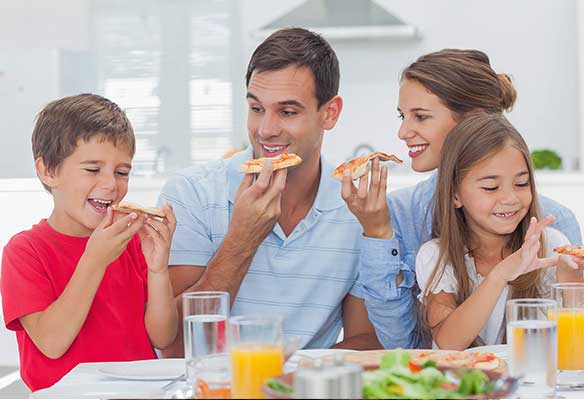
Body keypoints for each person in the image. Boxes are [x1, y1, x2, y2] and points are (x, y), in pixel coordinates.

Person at [159, 27, 380, 356]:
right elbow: (177, 347)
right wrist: (241, 240)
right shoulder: (191, 194)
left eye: (287, 112)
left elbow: (365, 341)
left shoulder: (356, 211)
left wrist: (289, 378)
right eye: (256, 109)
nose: (266, 130)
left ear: (329, 113)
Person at [340, 49, 583, 349]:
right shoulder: (397, 215)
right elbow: (402, 345)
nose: (403, 132)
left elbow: (575, 342)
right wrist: (377, 233)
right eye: (403, 116)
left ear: (474, 121)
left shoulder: (553, 225)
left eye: (421, 117)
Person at [0, 94, 178, 391]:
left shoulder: (131, 241)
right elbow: (52, 343)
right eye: (93, 169)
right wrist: (95, 260)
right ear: (49, 171)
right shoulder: (25, 252)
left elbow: (163, 337)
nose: (111, 184)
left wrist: (159, 271)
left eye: (122, 172)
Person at [416, 112, 584, 349]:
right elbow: (449, 342)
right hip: (469, 384)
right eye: (491, 187)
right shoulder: (437, 255)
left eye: (521, 184)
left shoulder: (550, 245)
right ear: (455, 194)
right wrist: (501, 274)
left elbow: (582, 346)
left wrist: (569, 278)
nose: (510, 198)